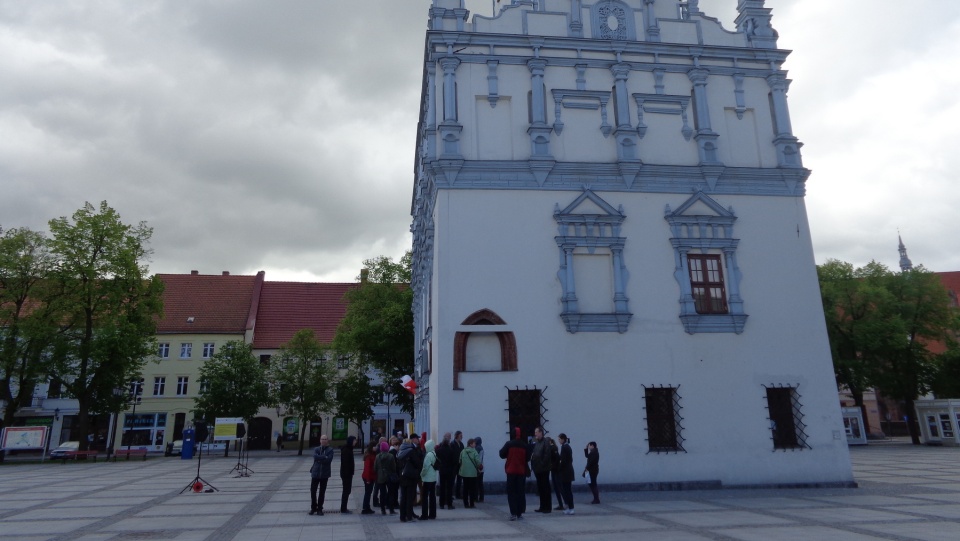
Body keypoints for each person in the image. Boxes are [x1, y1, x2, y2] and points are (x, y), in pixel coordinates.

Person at [500, 427, 529, 521]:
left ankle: (513, 513)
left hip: (511, 471)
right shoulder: (524, 445)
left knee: (511, 492)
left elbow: (501, 454)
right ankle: (520, 513)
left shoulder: (509, 444)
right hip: (521, 471)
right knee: (520, 492)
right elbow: (528, 458)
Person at [397, 434, 424, 523]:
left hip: (402, 476)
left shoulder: (400, 451)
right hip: (411, 477)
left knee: (403, 497)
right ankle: (409, 516)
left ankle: (402, 516)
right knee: (410, 497)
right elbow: (418, 463)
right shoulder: (411, 451)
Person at [530, 426, 554, 513]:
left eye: (536, 432)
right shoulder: (537, 442)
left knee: (545, 488)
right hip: (537, 469)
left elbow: (547, 455)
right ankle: (542, 506)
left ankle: (547, 507)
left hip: (544, 469)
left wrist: (542, 464)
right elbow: (535, 454)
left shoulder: (546, 442)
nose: (535, 434)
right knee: (540, 488)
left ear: (541, 432)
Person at [309, 435, 334, 516]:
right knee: (313, 491)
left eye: (325, 439)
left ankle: (320, 508)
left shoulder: (330, 450)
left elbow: (328, 460)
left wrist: (320, 459)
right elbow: (315, 457)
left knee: (322, 492)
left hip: (324, 474)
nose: (323, 440)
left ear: (327, 440)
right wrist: (323, 457)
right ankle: (313, 507)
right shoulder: (316, 449)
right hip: (315, 473)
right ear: (320, 440)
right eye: (322, 439)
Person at [435, 432, 458, 509]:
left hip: (442, 470)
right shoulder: (451, 451)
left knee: (442, 487)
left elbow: (436, 460)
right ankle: (449, 504)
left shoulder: (439, 450)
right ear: (448, 443)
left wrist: (439, 467)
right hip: (450, 471)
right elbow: (455, 461)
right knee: (449, 488)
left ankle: (441, 504)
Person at [374, 441, 397, 515]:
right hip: (389, 476)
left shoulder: (377, 456)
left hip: (380, 476)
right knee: (390, 493)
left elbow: (375, 468)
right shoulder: (390, 456)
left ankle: (382, 509)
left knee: (382, 493)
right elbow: (394, 467)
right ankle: (391, 509)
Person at [458, 438, 481, 508]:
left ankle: (466, 504)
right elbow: (478, 461)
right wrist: (480, 466)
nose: (475, 444)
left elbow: (460, 461)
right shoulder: (474, 452)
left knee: (465, 488)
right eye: (474, 443)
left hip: (464, 473)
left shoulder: (463, 451)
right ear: (470, 444)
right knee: (472, 489)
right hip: (472, 473)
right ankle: (471, 503)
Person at [420, 439, 439, 520]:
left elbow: (425, 467)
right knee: (432, 497)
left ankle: (424, 515)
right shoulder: (434, 453)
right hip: (433, 478)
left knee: (424, 497)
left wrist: (421, 475)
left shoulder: (428, 455)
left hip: (427, 479)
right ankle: (432, 514)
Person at [557, 433, 575, 515]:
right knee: (567, 490)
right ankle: (569, 507)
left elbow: (563, 461)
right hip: (568, 471)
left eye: (560, 439)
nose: (559, 441)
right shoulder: (567, 447)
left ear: (563, 439)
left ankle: (571, 508)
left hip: (566, 472)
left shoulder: (564, 447)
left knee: (567, 490)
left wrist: (559, 468)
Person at [339, 435, 356, 514]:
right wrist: (348, 474)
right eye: (354, 441)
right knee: (346, 490)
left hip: (347, 473)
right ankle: (343, 508)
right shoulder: (346, 450)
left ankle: (344, 507)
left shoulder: (349, 449)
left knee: (347, 490)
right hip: (346, 474)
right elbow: (346, 463)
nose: (355, 442)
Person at [360, 441, 378, 514]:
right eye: (375, 446)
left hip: (371, 476)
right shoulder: (369, 456)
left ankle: (367, 506)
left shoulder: (373, 454)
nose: (376, 448)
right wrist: (367, 479)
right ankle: (365, 508)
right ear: (372, 447)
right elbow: (367, 468)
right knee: (368, 492)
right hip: (368, 477)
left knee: (368, 492)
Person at [549, 437, 564, 511]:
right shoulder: (553, 448)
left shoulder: (553, 448)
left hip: (556, 470)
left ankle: (564, 503)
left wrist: (551, 465)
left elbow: (556, 459)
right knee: (557, 488)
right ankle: (561, 504)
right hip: (554, 470)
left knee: (559, 488)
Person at [453, 430, 465, 498]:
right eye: (460, 435)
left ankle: (458, 494)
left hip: (460, 465)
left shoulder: (461, 444)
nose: (462, 437)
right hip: (454, 465)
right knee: (452, 480)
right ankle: (451, 494)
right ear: (457, 436)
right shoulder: (453, 444)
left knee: (459, 480)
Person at [474, 436, 485, 502]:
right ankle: (481, 497)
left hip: (478, 468)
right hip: (481, 468)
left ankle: (476, 497)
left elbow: (478, 459)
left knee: (477, 484)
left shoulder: (477, 448)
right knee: (480, 484)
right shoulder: (481, 448)